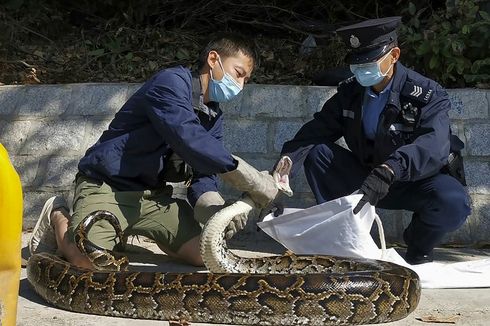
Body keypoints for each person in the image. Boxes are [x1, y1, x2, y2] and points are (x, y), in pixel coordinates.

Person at [29, 33, 278, 269]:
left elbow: (204, 176)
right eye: (239, 73)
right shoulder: (170, 83)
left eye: (246, 79)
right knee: (89, 262)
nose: (241, 85)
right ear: (213, 59)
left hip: (153, 197)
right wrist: (251, 178)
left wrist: (216, 211)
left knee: (207, 254)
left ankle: (130, 233)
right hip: (107, 187)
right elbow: (188, 138)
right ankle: (58, 214)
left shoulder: (213, 116)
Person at [279, 17, 471, 265]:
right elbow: (317, 130)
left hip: (413, 181)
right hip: (366, 180)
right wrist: (286, 163)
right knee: (317, 153)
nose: (362, 69)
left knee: (453, 201)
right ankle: (353, 242)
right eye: (357, 64)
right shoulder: (351, 93)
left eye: (369, 62)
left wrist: (391, 169)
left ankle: (418, 246)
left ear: (394, 55)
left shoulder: (426, 93)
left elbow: (434, 144)